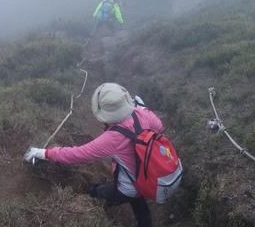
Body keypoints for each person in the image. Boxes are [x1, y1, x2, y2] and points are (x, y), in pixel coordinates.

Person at [24, 83, 162, 227]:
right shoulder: (142, 113)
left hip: (131, 187)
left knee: (95, 194)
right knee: (137, 198)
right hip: (148, 177)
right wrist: (143, 109)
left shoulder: (112, 138)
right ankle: (144, 222)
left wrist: (45, 153)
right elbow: (158, 126)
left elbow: (77, 155)